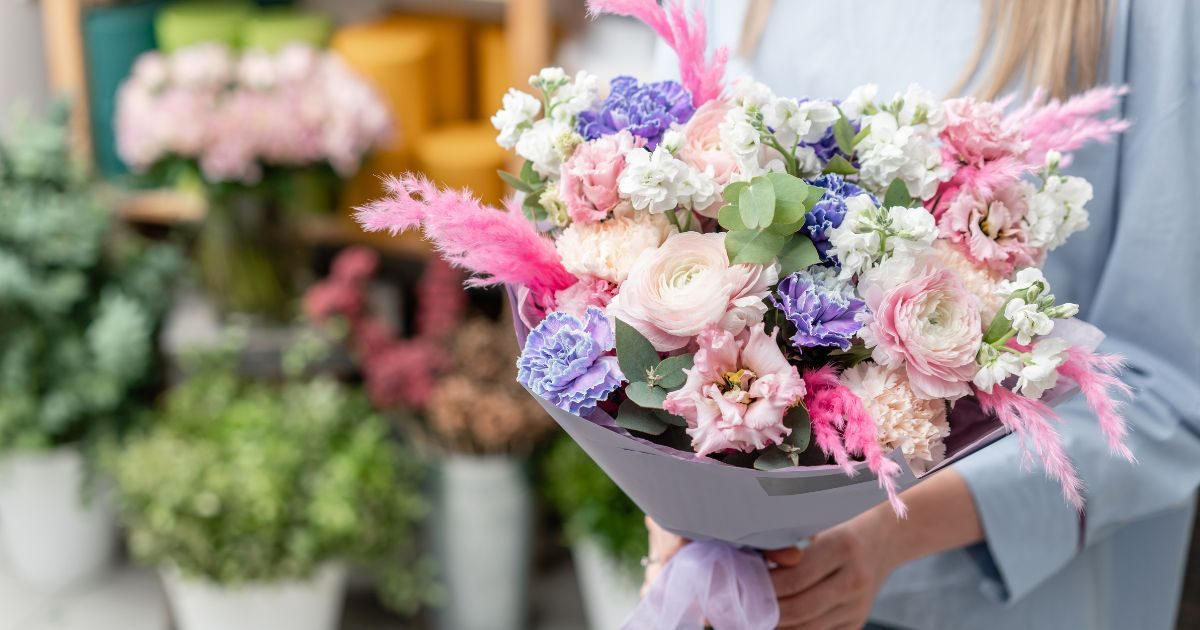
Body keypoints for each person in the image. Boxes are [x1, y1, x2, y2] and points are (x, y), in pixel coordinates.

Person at [644, 1, 1200, 628]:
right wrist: (677, 503)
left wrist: (885, 534)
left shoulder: (1140, 15)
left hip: (1000, 598)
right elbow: (654, 215)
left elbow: (1165, 389)